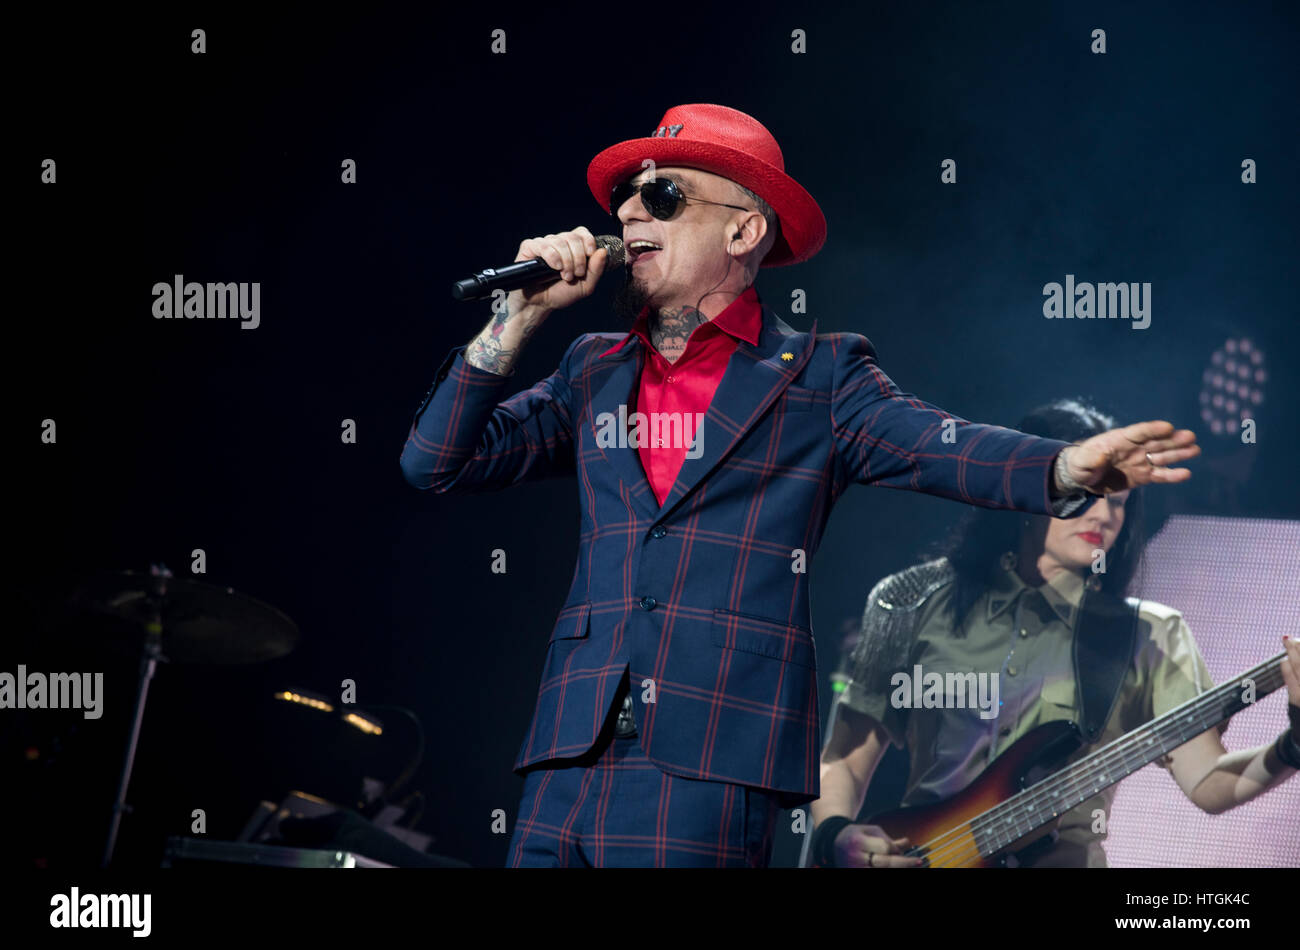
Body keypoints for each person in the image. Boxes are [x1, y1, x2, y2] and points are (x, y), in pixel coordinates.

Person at [399, 104, 1201, 867]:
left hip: (706, 757)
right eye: (626, 196)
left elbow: (940, 446)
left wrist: (1062, 468)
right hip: (567, 751)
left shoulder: (819, 376)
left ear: (744, 229)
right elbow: (435, 462)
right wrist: (515, 319)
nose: (632, 215)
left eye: (663, 195)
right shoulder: (593, 369)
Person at [806, 399, 1300, 868]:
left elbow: (1212, 785)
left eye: (1120, 501)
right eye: (1091, 493)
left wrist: (1291, 745)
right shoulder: (913, 600)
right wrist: (837, 836)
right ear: (1028, 486)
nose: (1105, 515)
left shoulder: (1151, 635)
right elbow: (844, 762)